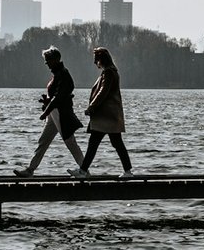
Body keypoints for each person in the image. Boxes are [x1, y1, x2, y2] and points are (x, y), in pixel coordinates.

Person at [13, 47, 86, 177]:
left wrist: (45, 112)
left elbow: (59, 97)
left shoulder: (63, 74)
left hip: (61, 114)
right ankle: (30, 170)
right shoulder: (58, 74)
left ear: (56, 60)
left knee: (70, 143)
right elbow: (56, 96)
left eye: (48, 60)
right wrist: (47, 101)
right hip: (55, 113)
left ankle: (84, 170)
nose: (46, 63)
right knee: (43, 141)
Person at [69, 46, 134, 179]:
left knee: (96, 144)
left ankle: (83, 171)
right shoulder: (112, 71)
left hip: (105, 116)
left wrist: (91, 107)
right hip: (110, 117)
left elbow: (102, 92)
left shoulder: (108, 73)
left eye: (96, 59)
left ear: (101, 59)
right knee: (114, 144)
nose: (94, 62)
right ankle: (127, 171)